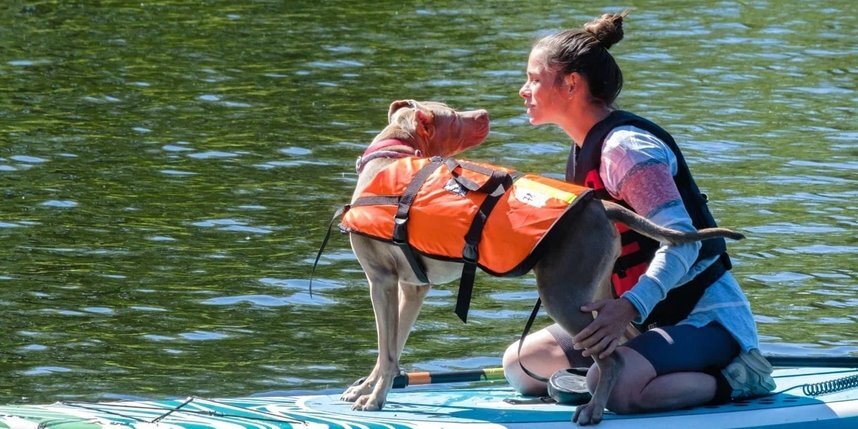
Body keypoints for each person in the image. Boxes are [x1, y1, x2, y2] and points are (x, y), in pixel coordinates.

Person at [502, 11, 775, 414]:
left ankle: (737, 378)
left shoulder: (629, 151)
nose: (524, 90)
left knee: (612, 388)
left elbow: (679, 243)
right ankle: (637, 364)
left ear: (572, 84)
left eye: (534, 79)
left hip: (704, 320)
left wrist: (629, 308)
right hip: (637, 323)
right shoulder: (582, 153)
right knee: (523, 366)